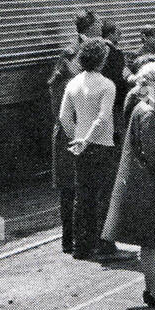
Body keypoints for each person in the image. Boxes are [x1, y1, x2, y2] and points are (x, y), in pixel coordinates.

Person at [102, 62, 155, 307]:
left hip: (152, 182)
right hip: (150, 185)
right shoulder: (148, 113)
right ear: (149, 85)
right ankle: (154, 291)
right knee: (151, 239)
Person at [58, 39, 117, 260]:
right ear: (101, 61)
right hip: (101, 145)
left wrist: (77, 138)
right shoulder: (106, 85)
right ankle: (105, 246)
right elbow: (102, 119)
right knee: (104, 196)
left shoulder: (72, 84)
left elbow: (64, 117)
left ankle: (81, 247)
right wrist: (88, 139)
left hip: (79, 148)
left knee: (82, 197)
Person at [49, 10, 98, 253]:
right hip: (71, 134)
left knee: (81, 189)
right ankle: (72, 241)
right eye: (96, 25)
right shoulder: (69, 58)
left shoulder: (83, 54)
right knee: (72, 190)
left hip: (81, 131)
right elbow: (60, 102)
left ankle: (79, 240)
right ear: (87, 29)